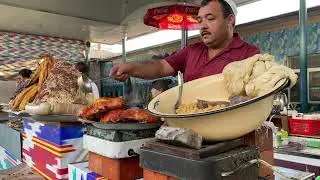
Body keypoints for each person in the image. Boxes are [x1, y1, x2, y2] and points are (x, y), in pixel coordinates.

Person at [110, 0, 260, 82]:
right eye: (200, 20)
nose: (203, 26)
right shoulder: (191, 51)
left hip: (231, 132)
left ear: (230, 20)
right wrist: (129, 67)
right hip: (192, 129)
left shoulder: (249, 54)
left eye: (210, 18)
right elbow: (160, 67)